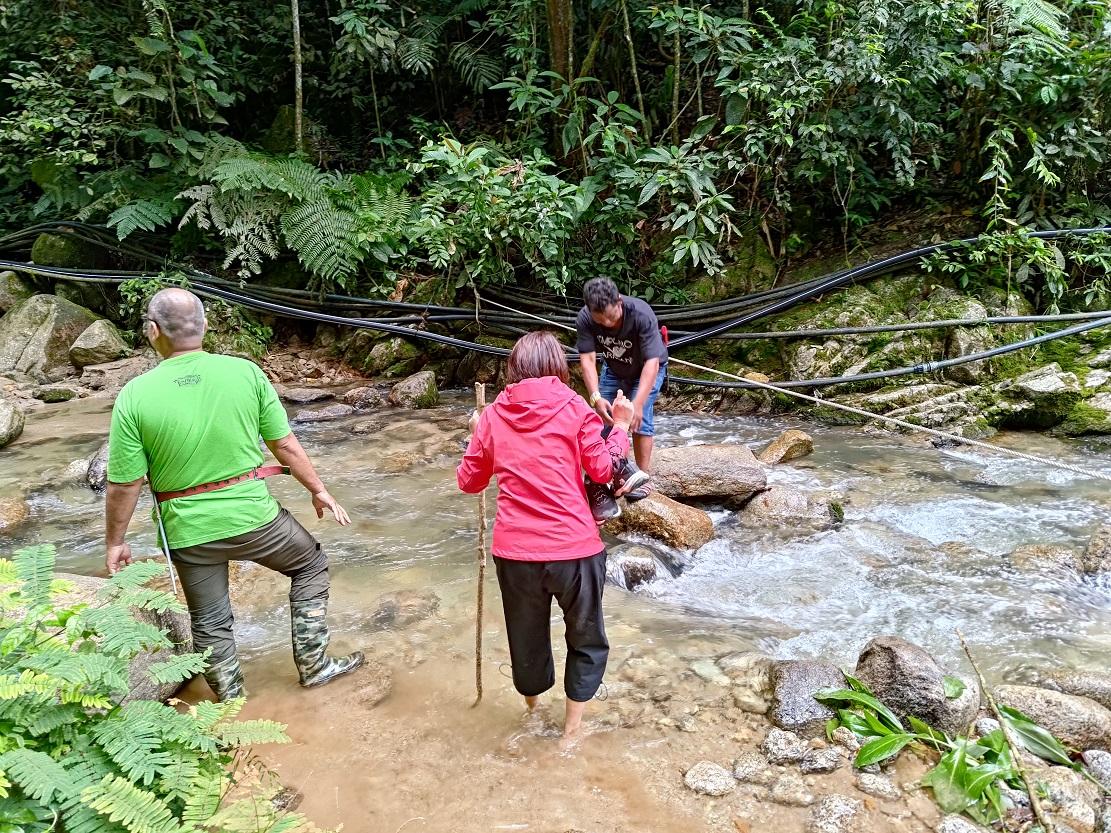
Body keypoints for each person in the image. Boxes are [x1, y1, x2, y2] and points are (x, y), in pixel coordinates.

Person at [104, 288, 364, 701]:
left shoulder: (134, 395)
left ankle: (230, 702)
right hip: (255, 519)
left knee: (209, 619)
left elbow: (125, 483)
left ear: (153, 331)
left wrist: (116, 542)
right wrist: (318, 491)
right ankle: (315, 666)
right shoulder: (245, 373)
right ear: (205, 326)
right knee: (311, 565)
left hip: (188, 531)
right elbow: (284, 444)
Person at [456, 330, 639, 748]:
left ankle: (533, 714)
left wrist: (474, 434)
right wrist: (620, 426)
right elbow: (602, 470)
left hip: (515, 553)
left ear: (514, 369)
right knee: (586, 638)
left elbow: (469, 482)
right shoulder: (575, 408)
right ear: (558, 367)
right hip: (575, 548)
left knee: (527, 638)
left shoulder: (492, 417)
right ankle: (570, 734)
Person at [576, 277, 667, 491]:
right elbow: (587, 360)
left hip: (646, 368)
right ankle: (603, 478)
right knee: (603, 420)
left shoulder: (640, 314)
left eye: (611, 317)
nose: (608, 324)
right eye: (601, 320)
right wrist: (596, 397)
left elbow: (652, 363)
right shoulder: (585, 318)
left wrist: (638, 403)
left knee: (639, 421)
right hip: (614, 368)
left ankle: (643, 478)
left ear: (619, 301)